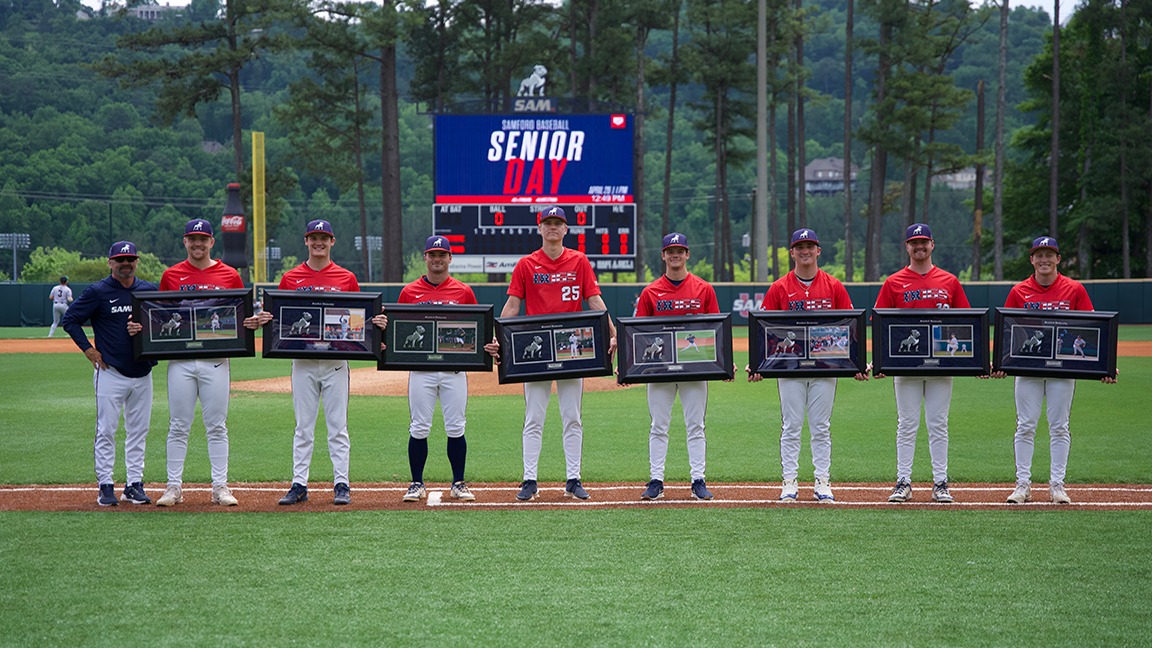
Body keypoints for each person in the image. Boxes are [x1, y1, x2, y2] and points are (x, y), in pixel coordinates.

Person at [483, 206, 616, 501]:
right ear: (539, 228)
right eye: (548, 223)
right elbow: (513, 306)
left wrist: (612, 331)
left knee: (572, 416)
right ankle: (530, 479)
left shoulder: (579, 261)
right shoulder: (527, 264)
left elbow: (594, 301)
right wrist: (499, 336)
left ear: (566, 229)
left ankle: (573, 478)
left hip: (571, 347)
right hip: (538, 348)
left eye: (558, 223)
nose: (553, 227)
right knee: (534, 417)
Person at [256, 219, 382, 506]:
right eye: (314, 238)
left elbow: (356, 319)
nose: (318, 243)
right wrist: (266, 320)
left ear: (332, 241)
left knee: (338, 426)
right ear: (306, 241)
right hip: (303, 361)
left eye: (324, 238)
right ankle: (299, 484)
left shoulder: (346, 278)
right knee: (303, 426)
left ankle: (341, 483)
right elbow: (278, 319)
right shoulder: (290, 278)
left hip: (335, 361)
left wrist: (373, 323)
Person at [995, 236, 1116, 504]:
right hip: (1028, 369)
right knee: (1025, 425)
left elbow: (1093, 329)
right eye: (1039, 255)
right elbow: (1007, 332)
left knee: (1059, 426)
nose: (1044, 259)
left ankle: (1057, 485)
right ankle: (1022, 485)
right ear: (1032, 259)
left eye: (1049, 254)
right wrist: (1001, 362)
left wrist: (1105, 365)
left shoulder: (1074, 289)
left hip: (1063, 367)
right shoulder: (1019, 291)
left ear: (1058, 259)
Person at [754, 228, 866, 502]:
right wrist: (758, 364)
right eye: (799, 247)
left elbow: (850, 328)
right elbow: (764, 330)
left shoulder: (834, 286)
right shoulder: (779, 288)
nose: (805, 251)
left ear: (818, 251)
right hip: (790, 367)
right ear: (792, 252)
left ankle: (822, 481)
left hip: (826, 365)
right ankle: (789, 481)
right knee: (791, 425)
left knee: (821, 425)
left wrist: (858, 362)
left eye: (810, 246)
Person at [155, 218, 253, 508]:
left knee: (217, 426)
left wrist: (248, 323)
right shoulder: (171, 275)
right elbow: (159, 317)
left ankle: (220, 486)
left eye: (203, 239)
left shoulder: (229, 275)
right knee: (177, 425)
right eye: (192, 239)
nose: (198, 244)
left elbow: (238, 315)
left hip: (216, 360)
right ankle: (173, 487)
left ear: (212, 242)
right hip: (181, 360)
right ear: (185, 241)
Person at [875, 223, 970, 504]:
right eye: (914, 242)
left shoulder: (949, 281)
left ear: (932, 244)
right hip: (905, 366)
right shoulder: (893, 282)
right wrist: (880, 361)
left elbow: (966, 322)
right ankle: (903, 481)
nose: (919, 247)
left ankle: (940, 482)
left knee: (938, 423)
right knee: (907, 424)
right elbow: (880, 324)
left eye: (924, 242)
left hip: (941, 365)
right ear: (906, 247)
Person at [61, 242, 157, 506]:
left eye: (130, 259)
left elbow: (164, 320)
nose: (125, 263)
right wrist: (88, 350)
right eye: (120, 259)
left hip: (143, 371)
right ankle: (105, 485)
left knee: (139, 430)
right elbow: (70, 319)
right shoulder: (99, 291)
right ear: (110, 262)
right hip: (110, 371)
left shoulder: (148, 289)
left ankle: (134, 484)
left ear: (137, 261)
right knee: (106, 429)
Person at [633, 233, 721, 501]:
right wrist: (631, 368)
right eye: (670, 251)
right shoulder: (651, 292)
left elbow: (715, 329)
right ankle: (656, 480)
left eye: (679, 251)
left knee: (696, 425)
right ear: (663, 255)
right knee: (659, 424)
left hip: (694, 369)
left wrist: (722, 365)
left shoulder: (703, 288)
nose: (675, 255)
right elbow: (637, 334)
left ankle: (698, 480)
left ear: (687, 254)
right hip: (659, 370)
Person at [394, 236, 479, 503]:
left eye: (442, 254)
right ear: (425, 257)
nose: (437, 259)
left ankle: (458, 483)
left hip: (454, 370)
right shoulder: (409, 292)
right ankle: (416, 483)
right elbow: (399, 330)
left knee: (456, 426)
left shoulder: (463, 291)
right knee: (419, 427)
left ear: (450, 258)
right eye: (433, 254)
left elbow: (475, 328)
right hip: (421, 370)